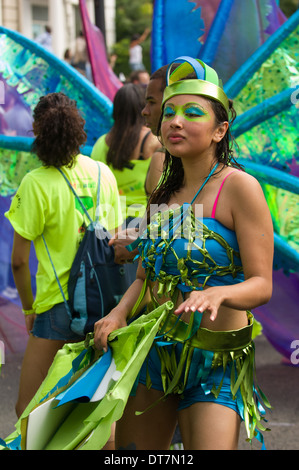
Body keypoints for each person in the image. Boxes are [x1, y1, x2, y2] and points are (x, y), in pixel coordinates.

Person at [93, 57, 274, 450]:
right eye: (169, 112)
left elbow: (261, 284)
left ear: (219, 130)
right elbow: (144, 277)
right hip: (155, 354)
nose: (175, 121)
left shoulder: (240, 188)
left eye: (192, 113)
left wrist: (219, 293)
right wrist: (119, 312)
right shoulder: (164, 193)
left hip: (214, 363)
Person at [5, 92, 123, 418]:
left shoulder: (35, 183)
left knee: (30, 411)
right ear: (78, 130)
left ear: (39, 134)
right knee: (94, 410)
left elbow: (18, 260)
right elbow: (115, 241)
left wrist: (29, 307)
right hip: (103, 304)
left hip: (57, 304)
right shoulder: (103, 174)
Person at [91, 83, 161, 283]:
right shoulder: (155, 143)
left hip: (106, 226)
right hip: (141, 227)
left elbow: (97, 186)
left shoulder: (102, 144)